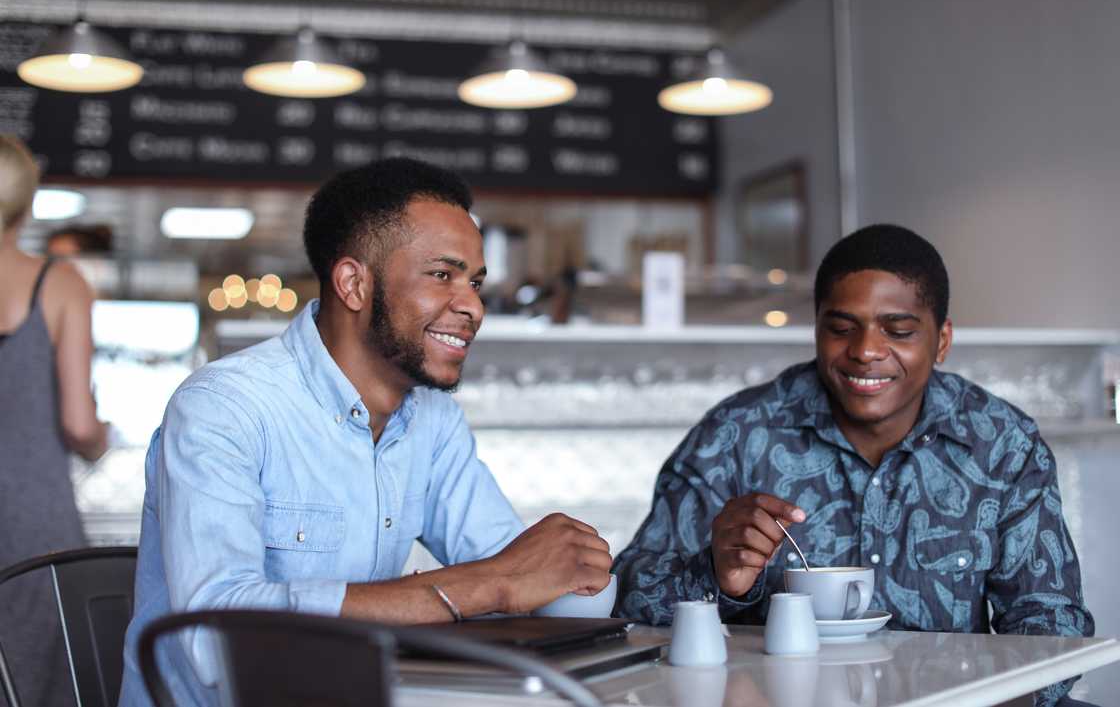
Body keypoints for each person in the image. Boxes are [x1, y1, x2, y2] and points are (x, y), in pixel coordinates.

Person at [117, 158, 613, 706]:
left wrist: (569, 571)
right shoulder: (224, 408)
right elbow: (217, 642)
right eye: (442, 275)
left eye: (474, 282)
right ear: (354, 284)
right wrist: (487, 584)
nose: (473, 306)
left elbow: (517, 568)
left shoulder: (432, 419)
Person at [613, 224, 1093, 707]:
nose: (865, 351)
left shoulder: (1002, 444)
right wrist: (714, 575)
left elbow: (1051, 623)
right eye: (841, 329)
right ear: (816, 331)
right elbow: (627, 600)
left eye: (898, 331)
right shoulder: (737, 435)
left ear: (942, 341)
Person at [0, 137, 108, 706]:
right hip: (32, 526)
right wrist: (100, 439)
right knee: (41, 684)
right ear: (26, 203)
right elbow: (79, 424)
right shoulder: (60, 284)